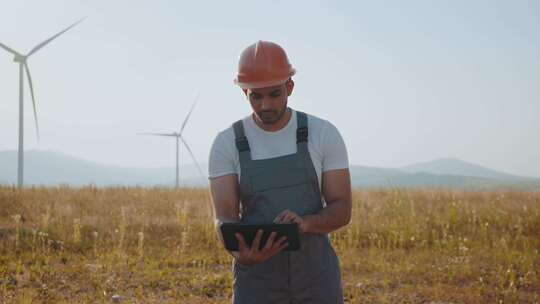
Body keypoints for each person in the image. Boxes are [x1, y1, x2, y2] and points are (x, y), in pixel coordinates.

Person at [208, 40, 352, 304]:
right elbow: (224, 218)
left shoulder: (322, 134)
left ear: (290, 87)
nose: (265, 106)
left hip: (317, 280)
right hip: (256, 281)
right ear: (245, 93)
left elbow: (342, 208)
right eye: (256, 96)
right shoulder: (226, 143)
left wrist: (307, 223)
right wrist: (240, 253)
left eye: (274, 94)